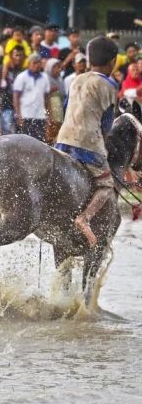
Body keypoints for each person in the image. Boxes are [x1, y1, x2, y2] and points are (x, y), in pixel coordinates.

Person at [55, 36, 119, 249]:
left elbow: (66, 108)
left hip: (63, 140)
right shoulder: (110, 84)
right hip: (89, 143)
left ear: (89, 59)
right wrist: (104, 142)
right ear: (113, 61)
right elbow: (107, 122)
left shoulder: (77, 79)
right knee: (106, 185)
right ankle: (84, 218)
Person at [12, 53, 50, 141]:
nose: (37, 65)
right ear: (29, 64)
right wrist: (18, 115)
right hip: (26, 115)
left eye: (39, 63)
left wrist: (48, 116)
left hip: (40, 116)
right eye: (34, 63)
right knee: (25, 142)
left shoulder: (44, 77)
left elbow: (47, 98)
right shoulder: (21, 77)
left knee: (40, 142)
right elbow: (16, 97)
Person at [0, 45, 24, 134]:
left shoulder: (23, 71)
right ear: (11, 55)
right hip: (6, 105)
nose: (19, 58)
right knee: (6, 132)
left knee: (18, 133)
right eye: (16, 55)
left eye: (21, 55)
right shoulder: (3, 69)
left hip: (20, 107)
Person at [45, 58, 65, 143]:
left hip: (59, 110)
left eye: (59, 67)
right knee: (49, 134)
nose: (58, 69)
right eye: (55, 67)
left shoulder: (60, 80)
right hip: (49, 112)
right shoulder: (45, 78)